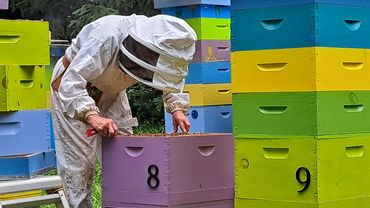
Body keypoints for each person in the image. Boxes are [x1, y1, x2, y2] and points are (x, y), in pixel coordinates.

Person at [50, 14, 197, 207]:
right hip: (75, 87)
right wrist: (91, 115)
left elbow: (169, 75)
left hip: (112, 90)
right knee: (79, 166)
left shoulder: (159, 42)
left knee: (128, 156)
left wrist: (177, 108)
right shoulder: (106, 36)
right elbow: (72, 82)